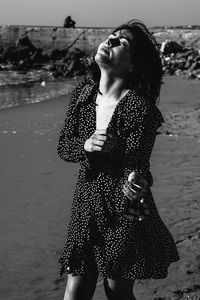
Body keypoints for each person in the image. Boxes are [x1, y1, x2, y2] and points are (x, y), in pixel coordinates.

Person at [57, 19, 179, 300]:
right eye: (110, 36)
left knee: (117, 291)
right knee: (75, 290)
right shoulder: (83, 95)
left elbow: (139, 167)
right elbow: (64, 146)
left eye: (121, 42)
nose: (110, 41)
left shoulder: (141, 110)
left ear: (133, 65)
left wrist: (138, 181)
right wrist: (86, 145)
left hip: (122, 209)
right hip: (85, 205)